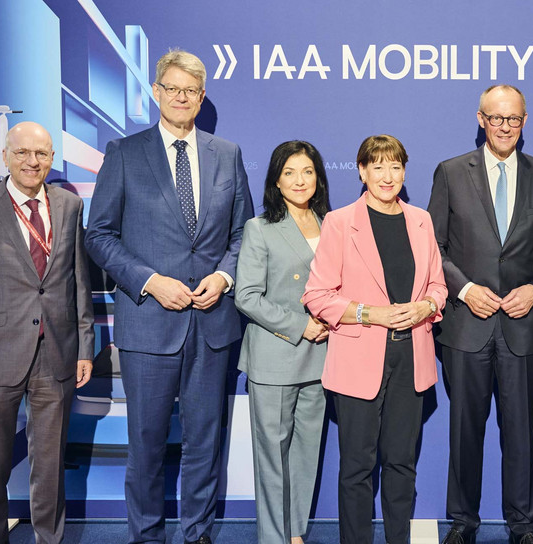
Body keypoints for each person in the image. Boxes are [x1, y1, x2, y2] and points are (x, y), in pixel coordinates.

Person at [85, 49, 253, 544]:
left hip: (212, 321)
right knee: (147, 444)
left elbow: (243, 233)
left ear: (202, 98)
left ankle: (197, 532)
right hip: (148, 321)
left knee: (205, 441)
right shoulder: (124, 152)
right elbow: (99, 235)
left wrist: (223, 278)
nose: (182, 97)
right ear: (156, 93)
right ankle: (147, 536)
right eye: (173, 89)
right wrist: (150, 280)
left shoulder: (227, 154)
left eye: (191, 90)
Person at [0, 121, 95, 544]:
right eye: (22, 152)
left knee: (50, 466)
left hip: (56, 355)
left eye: (41, 153)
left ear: (52, 158)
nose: (32, 161)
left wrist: (84, 346)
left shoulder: (69, 205)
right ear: (5, 156)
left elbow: (78, 282)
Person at [428, 85, 533, 544]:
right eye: (496, 118)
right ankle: (462, 522)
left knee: (521, 435)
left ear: (524, 121)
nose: (505, 126)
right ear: (481, 119)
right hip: (465, 327)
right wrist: (466, 289)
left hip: (523, 328)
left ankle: (524, 525)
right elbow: (433, 248)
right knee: (464, 432)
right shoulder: (451, 172)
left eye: (513, 118)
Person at [303, 134, 447, 544]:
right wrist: (370, 313)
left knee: (402, 464)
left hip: (411, 356)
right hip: (358, 360)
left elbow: (438, 286)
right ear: (362, 171)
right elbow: (317, 295)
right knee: (357, 467)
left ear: (404, 171)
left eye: (395, 166)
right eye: (378, 166)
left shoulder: (421, 220)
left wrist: (425, 307)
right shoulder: (339, 222)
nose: (387, 175)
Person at [234, 141, 331, 544]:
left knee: (306, 454)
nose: (299, 180)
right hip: (275, 357)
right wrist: (301, 325)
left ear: (318, 177)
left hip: (323, 357)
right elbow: (246, 296)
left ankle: (295, 533)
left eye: (307, 171)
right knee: (272, 459)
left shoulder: (332, 224)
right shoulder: (260, 228)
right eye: (289, 172)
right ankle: (274, 538)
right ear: (276, 179)